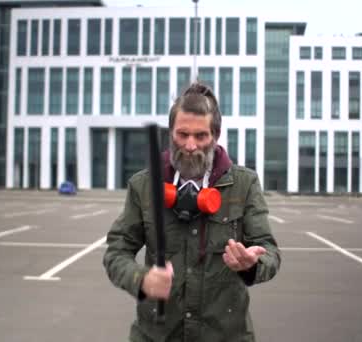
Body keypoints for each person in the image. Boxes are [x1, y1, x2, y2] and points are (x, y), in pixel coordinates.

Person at [103, 82, 280, 342]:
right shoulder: (144, 186)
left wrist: (253, 265)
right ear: (170, 133)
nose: (189, 145)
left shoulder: (244, 184)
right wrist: (141, 279)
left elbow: (270, 252)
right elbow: (116, 251)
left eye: (200, 136)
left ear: (216, 135)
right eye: (182, 134)